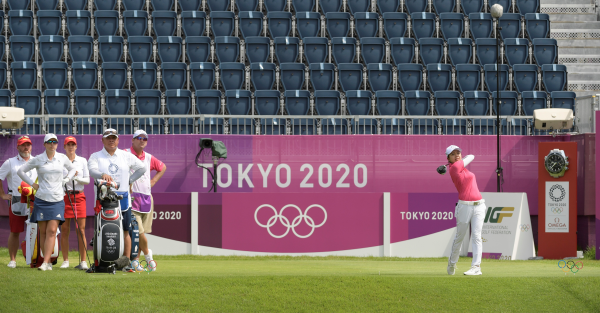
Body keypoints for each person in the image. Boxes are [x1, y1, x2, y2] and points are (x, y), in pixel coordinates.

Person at [87, 128, 146, 270]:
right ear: (102, 140)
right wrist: (102, 174)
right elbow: (91, 171)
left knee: (126, 230)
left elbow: (142, 168)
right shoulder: (96, 156)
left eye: (114, 137)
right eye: (108, 137)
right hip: (103, 198)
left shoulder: (125, 155)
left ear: (118, 140)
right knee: (100, 229)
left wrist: (129, 181)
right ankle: (101, 261)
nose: (111, 140)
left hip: (123, 197)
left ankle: (124, 263)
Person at [17, 134, 78, 271]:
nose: (52, 144)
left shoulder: (62, 158)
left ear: (57, 144)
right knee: (43, 231)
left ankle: (45, 262)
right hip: (41, 199)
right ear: (44, 144)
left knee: (52, 231)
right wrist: (33, 184)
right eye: (49, 142)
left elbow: (73, 169)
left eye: (55, 142)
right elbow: (21, 171)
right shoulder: (39, 159)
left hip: (57, 199)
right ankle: (48, 262)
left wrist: (66, 179)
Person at [125, 130, 166, 272]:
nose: (142, 140)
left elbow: (162, 167)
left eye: (145, 139)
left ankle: (136, 261)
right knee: (137, 232)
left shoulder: (149, 157)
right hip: (132, 198)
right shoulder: (125, 154)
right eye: (139, 138)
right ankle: (149, 256)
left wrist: (153, 180)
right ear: (133, 140)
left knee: (141, 233)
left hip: (147, 198)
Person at [441, 145, 485, 276]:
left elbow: (471, 156)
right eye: (453, 154)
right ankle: (452, 264)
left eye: (458, 153)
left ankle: (476, 267)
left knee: (477, 236)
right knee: (459, 238)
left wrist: (455, 160)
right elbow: (471, 156)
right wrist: (452, 163)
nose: (457, 155)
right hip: (464, 206)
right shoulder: (454, 168)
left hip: (479, 205)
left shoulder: (462, 167)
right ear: (448, 158)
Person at [0, 136, 37, 268]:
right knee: (15, 231)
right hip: (16, 199)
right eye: (23, 145)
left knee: (36, 230)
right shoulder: (10, 162)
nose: (25, 147)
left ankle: (36, 259)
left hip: (35, 200)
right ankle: (13, 260)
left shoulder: (37, 161)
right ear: (17, 147)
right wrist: (3, 194)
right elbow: (0, 177)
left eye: (28, 145)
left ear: (31, 146)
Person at [60, 136, 90, 270]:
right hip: (64, 197)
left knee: (81, 230)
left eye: (73, 144)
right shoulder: (60, 161)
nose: (71, 147)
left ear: (76, 147)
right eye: (68, 145)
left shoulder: (82, 161)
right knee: (65, 229)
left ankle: (83, 261)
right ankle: (65, 260)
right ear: (64, 147)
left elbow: (87, 180)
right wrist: (67, 177)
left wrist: (76, 177)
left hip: (79, 197)